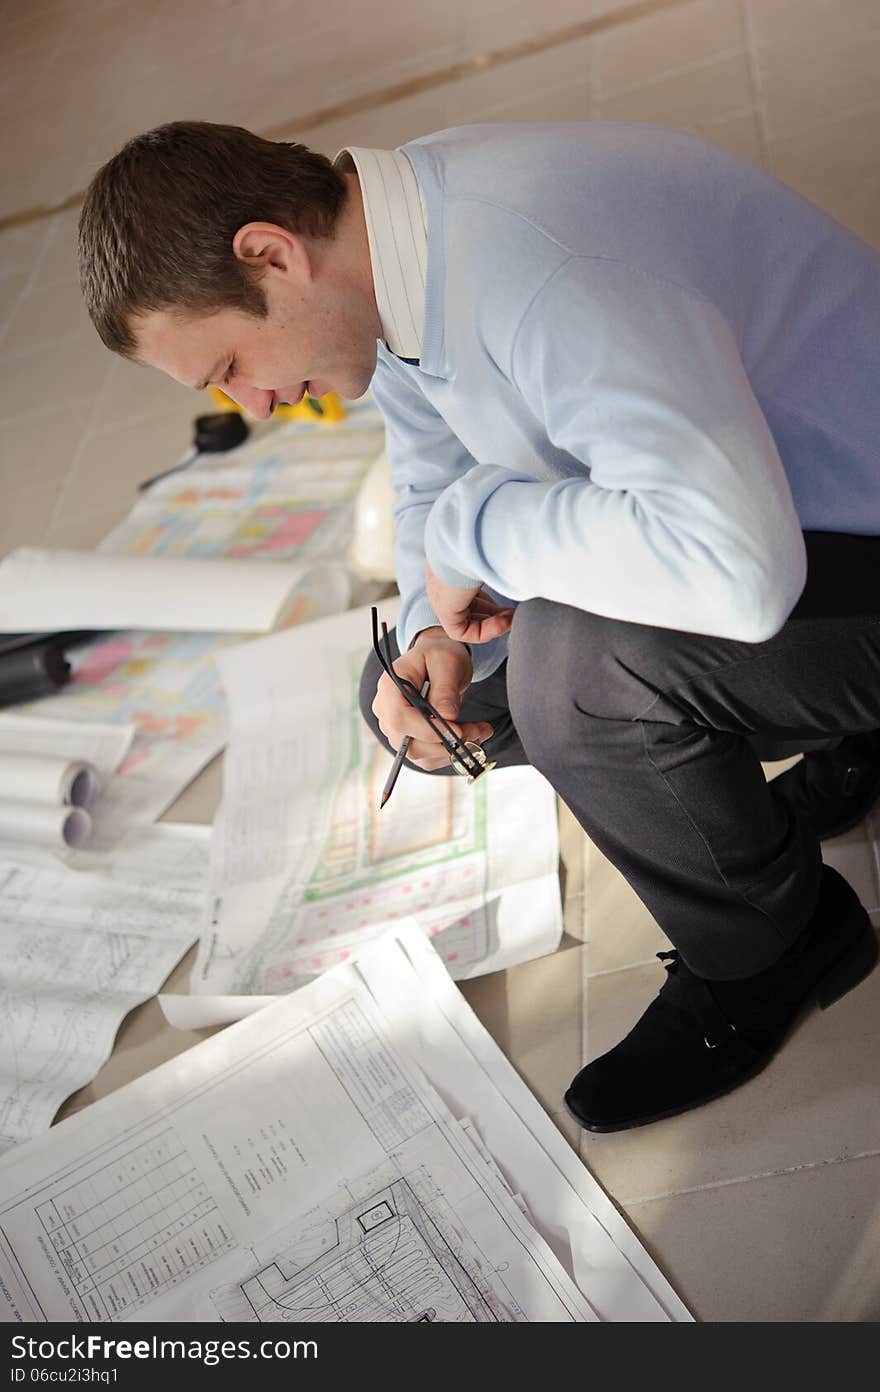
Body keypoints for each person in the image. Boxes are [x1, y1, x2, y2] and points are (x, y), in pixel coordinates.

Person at [78, 119, 880, 1133]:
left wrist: (474, 535)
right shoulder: (393, 246)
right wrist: (434, 640)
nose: (258, 401)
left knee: (574, 672)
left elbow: (738, 577)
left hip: (813, 535)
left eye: (231, 363)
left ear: (270, 253)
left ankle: (778, 943)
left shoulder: (537, 267)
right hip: (813, 510)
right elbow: (431, 475)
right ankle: (852, 735)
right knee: (444, 695)